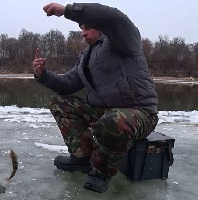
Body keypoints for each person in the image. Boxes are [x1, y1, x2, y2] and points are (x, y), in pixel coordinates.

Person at [32, 2, 159, 193]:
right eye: (81, 28)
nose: (83, 32)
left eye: (88, 27)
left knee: (113, 121)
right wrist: (43, 75)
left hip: (141, 113)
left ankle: (101, 172)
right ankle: (81, 158)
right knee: (60, 103)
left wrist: (67, 11)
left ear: (100, 25)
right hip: (106, 113)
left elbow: (114, 17)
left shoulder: (123, 40)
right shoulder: (86, 57)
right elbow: (67, 84)